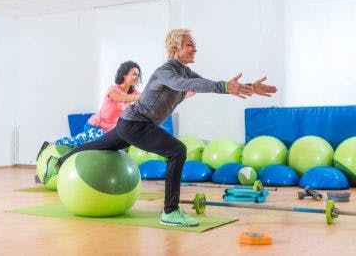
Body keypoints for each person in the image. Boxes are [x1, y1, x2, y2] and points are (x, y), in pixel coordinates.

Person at [47, 28, 277, 227]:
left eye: (195, 44)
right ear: (176, 48)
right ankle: (170, 211)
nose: (195, 48)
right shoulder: (166, 71)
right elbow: (186, 85)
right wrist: (225, 85)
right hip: (136, 124)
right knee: (177, 150)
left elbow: (201, 83)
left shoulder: (184, 70)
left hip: (130, 123)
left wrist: (247, 87)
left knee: (97, 145)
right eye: (190, 45)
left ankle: (57, 162)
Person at [37, 60, 141, 182]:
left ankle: (51, 146)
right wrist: (140, 97)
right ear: (124, 74)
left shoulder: (135, 93)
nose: (136, 77)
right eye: (134, 74)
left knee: (80, 141)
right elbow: (122, 98)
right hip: (95, 126)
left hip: (110, 131)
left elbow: (143, 101)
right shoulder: (113, 89)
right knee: (92, 141)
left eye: (138, 75)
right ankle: (54, 154)